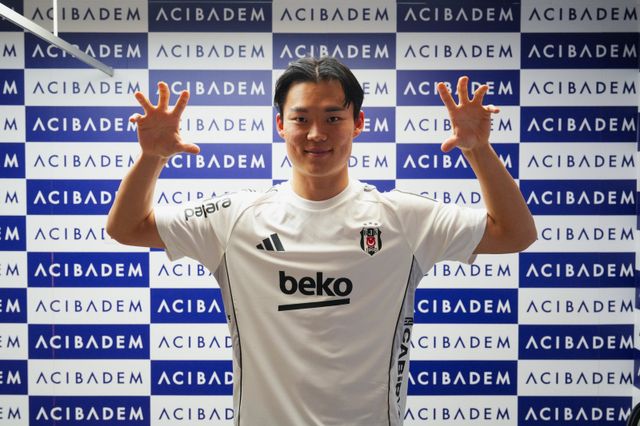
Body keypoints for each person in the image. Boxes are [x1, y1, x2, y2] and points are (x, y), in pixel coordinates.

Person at [107, 57, 536, 426]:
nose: (316, 133)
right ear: (280, 124)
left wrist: (478, 150)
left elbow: (516, 233)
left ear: (358, 124)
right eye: (301, 119)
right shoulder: (234, 218)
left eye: (333, 118)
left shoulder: (403, 218)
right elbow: (126, 227)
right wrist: (152, 157)